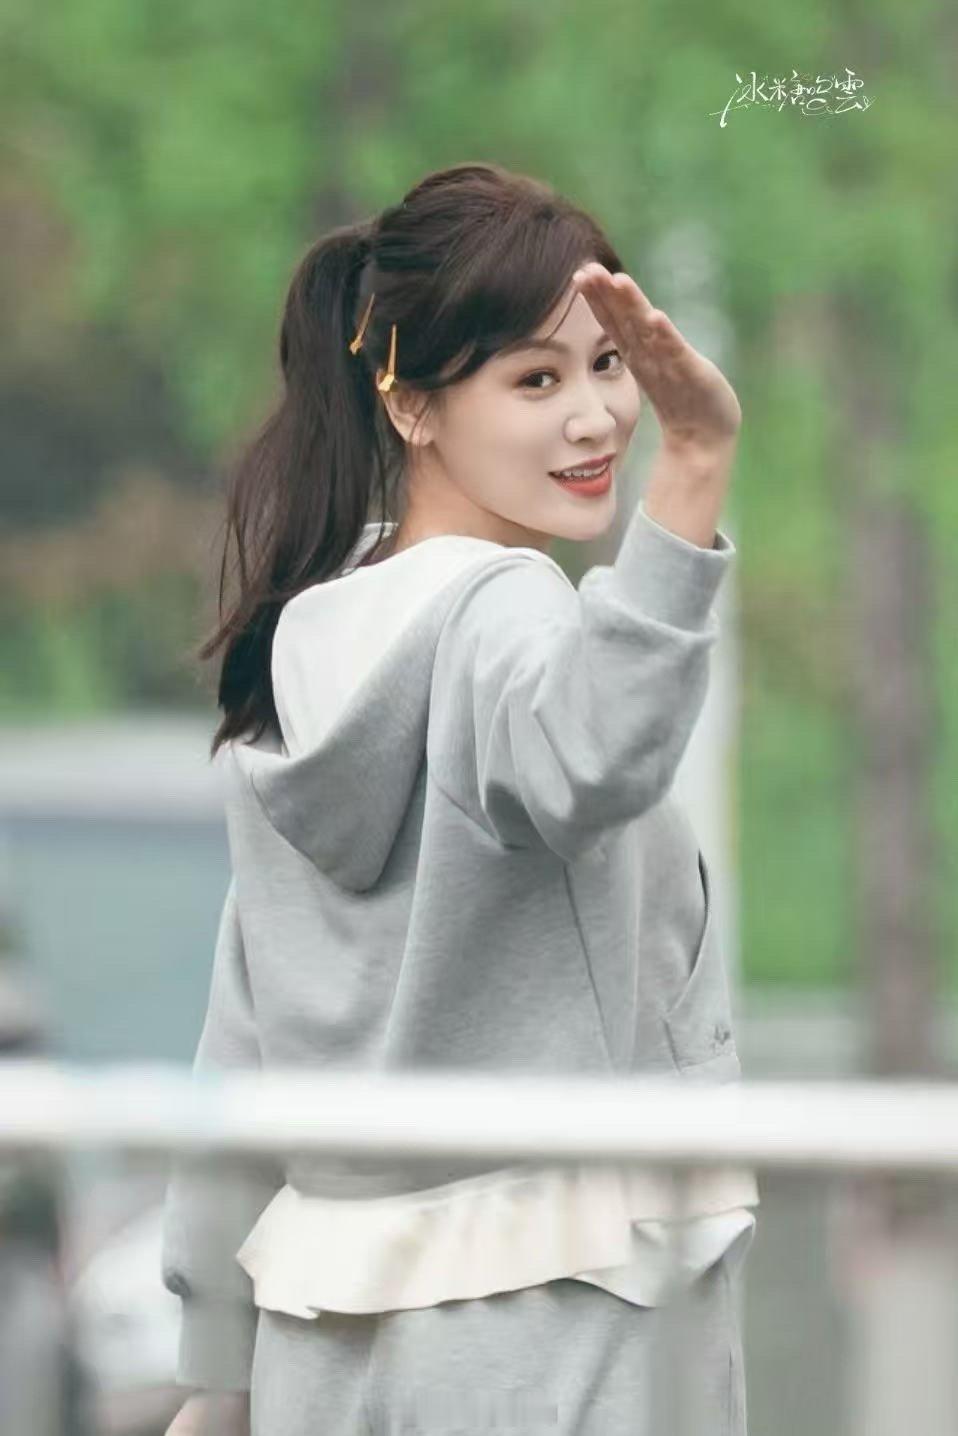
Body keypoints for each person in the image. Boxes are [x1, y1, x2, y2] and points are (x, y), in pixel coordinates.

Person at [161, 159, 759, 1435]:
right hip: (560, 1319)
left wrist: (217, 1374)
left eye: (610, 365)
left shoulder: (308, 643)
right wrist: (696, 464)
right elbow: (597, 753)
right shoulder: (504, 618)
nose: (596, 417)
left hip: (328, 1343)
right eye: (534, 379)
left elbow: (242, 1047)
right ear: (411, 402)